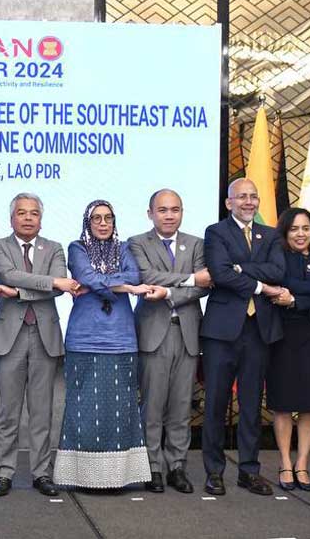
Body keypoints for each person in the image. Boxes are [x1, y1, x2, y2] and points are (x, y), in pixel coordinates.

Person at [52, 200, 153, 490]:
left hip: (121, 339)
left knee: (122, 408)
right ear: (88, 222)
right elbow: (86, 276)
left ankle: (119, 477)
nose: (103, 223)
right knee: (82, 408)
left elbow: (133, 276)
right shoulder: (77, 247)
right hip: (84, 339)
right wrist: (125, 288)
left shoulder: (124, 248)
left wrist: (104, 284)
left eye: (108, 218)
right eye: (96, 218)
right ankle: (82, 477)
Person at [200, 178, 285, 497]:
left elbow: (278, 271)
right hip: (222, 333)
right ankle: (214, 471)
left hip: (258, 331)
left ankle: (249, 471)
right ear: (229, 203)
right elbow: (220, 273)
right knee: (215, 403)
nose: (249, 202)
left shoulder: (271, 234)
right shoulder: (216, 232)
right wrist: (260, 285)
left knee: (251, 405)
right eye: (241, 197)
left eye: (253, 196)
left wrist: (240, 268)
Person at [0, 193, 77, 498]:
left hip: (44, 335)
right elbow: (8, 275)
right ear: (11, 217)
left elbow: (59, 286)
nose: (28, 218)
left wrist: (19, 292)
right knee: (8, 412)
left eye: (34, 213)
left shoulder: (55, 247)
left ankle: (41, 473)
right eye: (22, 213)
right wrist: (50, 283)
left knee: (42, 411)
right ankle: (4, 472)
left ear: (41, 218)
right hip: (9, 337)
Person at [128, 189, 211, 494]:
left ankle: (177, 466)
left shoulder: (197, 243)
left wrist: (172, 291)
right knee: (151, 405)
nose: (169, 215)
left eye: (175, 210)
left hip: (187, 332)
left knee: (181, 405)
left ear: (182, 212)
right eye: (162, 210)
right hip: (153, 333)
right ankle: (151, 467)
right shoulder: (137, 243)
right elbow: (145, 275)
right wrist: (189, 279)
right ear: (150, 213)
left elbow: (205, 285)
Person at [266, 207, 310, 492]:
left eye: (306, 228)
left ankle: (302, 464)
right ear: (285, 231)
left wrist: (298, 300)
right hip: (284, 336)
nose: (301, 234)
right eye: (295, 229)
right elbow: (282, 282)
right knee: (283, 402)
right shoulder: (277, 255)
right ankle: (285, 462)